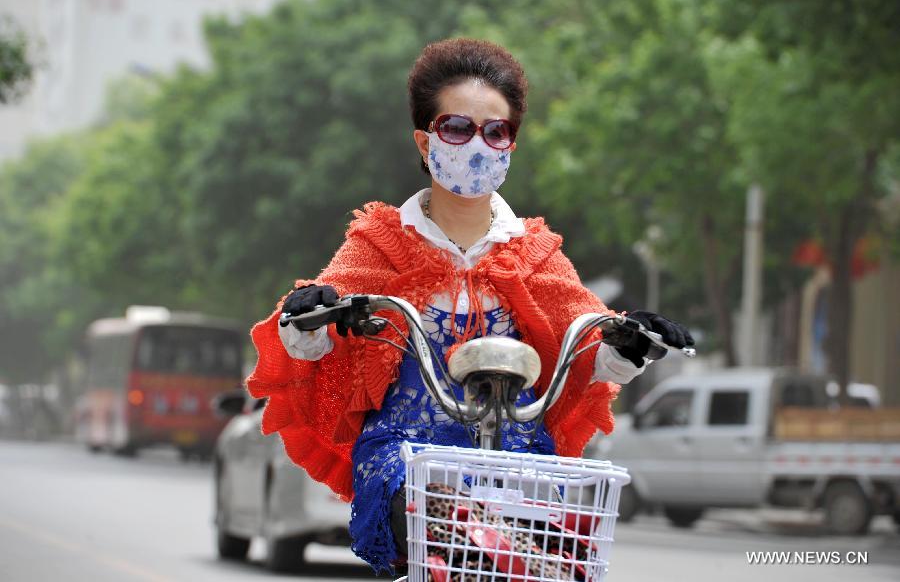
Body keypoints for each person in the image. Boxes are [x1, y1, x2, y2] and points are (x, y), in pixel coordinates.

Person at [246, 38, 693, 574]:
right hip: (407, 455)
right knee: (417, 512)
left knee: (565, 552)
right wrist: (309, 313)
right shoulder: (378, 244)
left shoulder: (536, 255)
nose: (477, 145)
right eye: (457, 128)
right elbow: (311, 338)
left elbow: (589, 348)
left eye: (496, 131)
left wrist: (627, 341)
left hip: (517, 456)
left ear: (511, 145)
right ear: (425, 139)